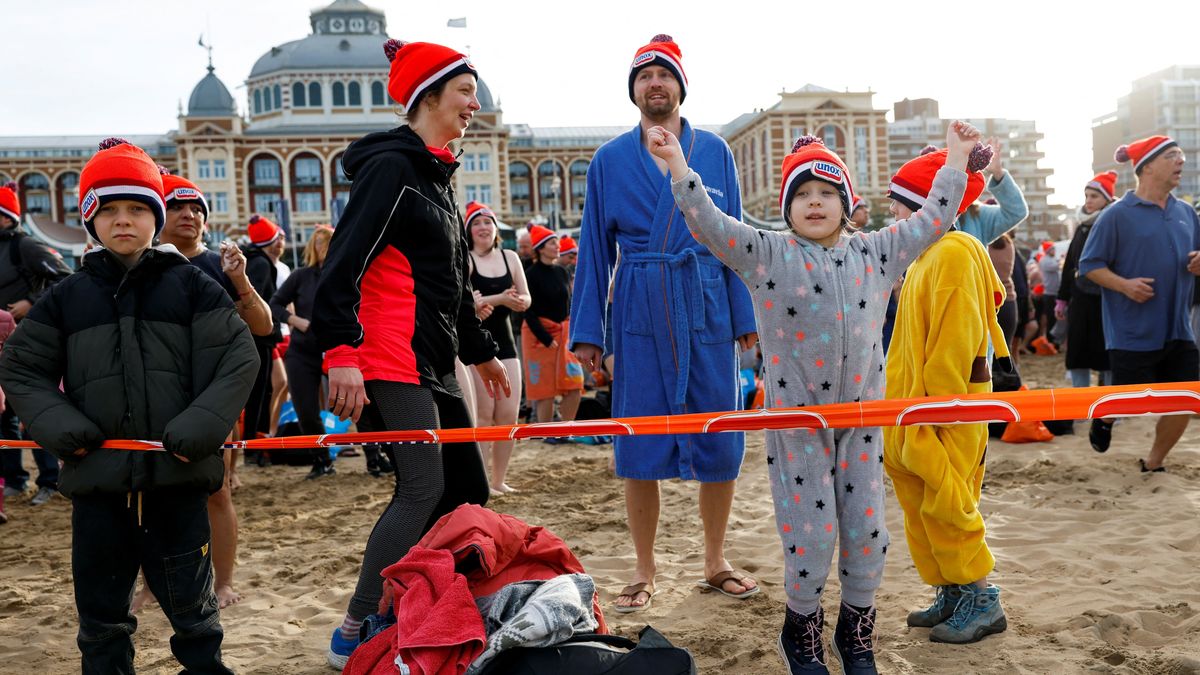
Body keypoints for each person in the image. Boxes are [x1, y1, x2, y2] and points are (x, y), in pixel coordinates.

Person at [651, 119, 985, 673]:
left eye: (827, 193)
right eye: (802, 193)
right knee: (812, 537)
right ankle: (800, 631)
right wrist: (678, 168)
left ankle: (856, 634)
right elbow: (708, 223)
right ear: (787, 207)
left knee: (867, 535)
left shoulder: (878, 254)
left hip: (862, 424)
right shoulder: (766, 256)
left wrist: (954, 159)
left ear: (847, 203)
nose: (814, 202)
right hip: (798, 428)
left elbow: (932, 220)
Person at [0, 138, 257, 673]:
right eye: (109, 209)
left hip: (179, 477)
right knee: (102, 615)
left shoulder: (192, 286)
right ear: (90, 219)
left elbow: (238, 358)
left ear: (155, 216)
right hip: (98, 484)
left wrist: (200, 427)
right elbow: (22, 368)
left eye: (138, 208)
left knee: (195, 610)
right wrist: (63, 427)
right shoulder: (68, 297)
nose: (124, 221)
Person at [311, 39, 509, 669]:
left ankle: (429, 607)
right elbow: (342, 265)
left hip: (434, 361)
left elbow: (451, 286)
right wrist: (340, 351)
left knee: (469, 491)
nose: (475, 104)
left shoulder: (437, 179)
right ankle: (354, 626)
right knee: (421, 485)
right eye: (466, 91)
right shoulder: (391, 170)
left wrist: (479, 354)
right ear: (429, 95)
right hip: (387, 356)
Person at [570, 34, 759, 614]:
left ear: (680, 87)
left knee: (721, 435)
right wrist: (588, 333)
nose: (656, 83)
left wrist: (744, 313)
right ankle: (644, 568)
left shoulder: (717, 152)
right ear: (634, 92)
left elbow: (732, 235)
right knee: (638, 441)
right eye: (644, 76)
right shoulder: (609, 161)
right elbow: (594, 250)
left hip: (706, 303)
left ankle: (715, 560)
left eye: (665, 75)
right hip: (639, 308)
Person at [882, 142, 1013, 647]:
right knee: (923, 503)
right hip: (914, 408)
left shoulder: (955, 254)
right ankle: (953, 589)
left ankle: (982, 596)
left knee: (951, 502)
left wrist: (936, 407)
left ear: (924, 204)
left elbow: (956, 343)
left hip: (944, 409)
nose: (892, 211)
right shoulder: (925, 257)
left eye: (898, 202)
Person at [131, 169, 273, 612]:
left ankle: (223, 580)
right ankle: (152, 585)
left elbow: (264, 326)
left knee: (216, 491)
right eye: (177, 206)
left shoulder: (220, 264)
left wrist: (241, 281)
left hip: (209, 396)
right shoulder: (138, 263)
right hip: (149, 395)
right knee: (147, 493)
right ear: (157, 212)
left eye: (197, 209)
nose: (189, 214)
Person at [1079, 136, 1200, 470]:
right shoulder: (1117, 215)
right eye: (1173, 156)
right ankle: (1105, 419)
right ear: (1146, 166)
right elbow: (1089, 266)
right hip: (1132, 331)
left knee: (1185, 400)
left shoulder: (1187, 213)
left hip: (1180, 330)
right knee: (1129, 403)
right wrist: (1125, 285)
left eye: (1182, 155)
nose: (1181, 162)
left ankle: (1154, 462)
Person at [0, 180, 72, 507]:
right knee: (4, 418)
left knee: (34, 415)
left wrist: (31, 301)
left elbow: (65, 279)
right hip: (1, 345)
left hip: (31, 343)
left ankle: (50, 481)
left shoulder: (24, 246)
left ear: (5, 216)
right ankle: (15, 480)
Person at [464, 201, 530, 494]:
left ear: (495, 229)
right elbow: (465, 305)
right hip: (476, 345)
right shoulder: (465, 259)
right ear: (469, 230)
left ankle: (499, 480)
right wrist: (500, 298)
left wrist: (515, 301)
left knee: (508, 415)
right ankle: (480, 482)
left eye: (487, 222)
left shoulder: (511, 257)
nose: (483, 228)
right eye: (476, 223)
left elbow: (526, 298)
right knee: (483, 415)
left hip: (504, 342)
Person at [270, 225, 337, 479]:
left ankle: (375, 458)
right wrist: (294, 320)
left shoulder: (343, 275)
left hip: (336, 349)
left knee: (357, 406)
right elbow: (274, 303)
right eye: (320, 243)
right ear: (312, 247)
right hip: (302, 350)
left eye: (329, 242)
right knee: (306, 409)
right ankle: (322, 460)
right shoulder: (300, 276)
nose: (325, 248)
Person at [1056, 172, 1117, 392]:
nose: (1088, 201)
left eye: (1094, 196)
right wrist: (1062, 300)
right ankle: (1081, 404)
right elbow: (1071, 264)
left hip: (1108, 297)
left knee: (1107, 353)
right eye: (1087, 196)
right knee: (1078, 352)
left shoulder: (1114, 223)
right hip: (1080, 298)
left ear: (1107, 199)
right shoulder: (1081, 227)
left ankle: (1112, 407)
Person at [524, 225, 583, 426]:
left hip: (564, 334)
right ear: (541, 248)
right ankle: (547, 432)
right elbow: (528, 311)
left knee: (575, 384)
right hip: (540, 336)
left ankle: (566, 429)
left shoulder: (562, 272)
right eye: (552, 242)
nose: (557, 246)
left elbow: (569, 304)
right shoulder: (530, 274)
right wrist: (545, 337)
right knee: (545, 390)